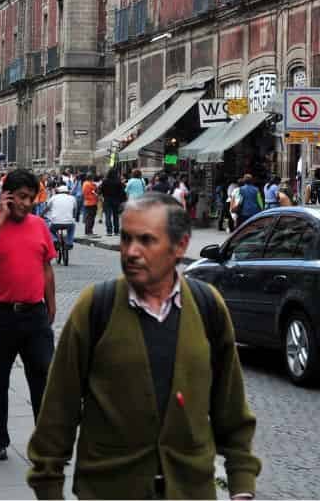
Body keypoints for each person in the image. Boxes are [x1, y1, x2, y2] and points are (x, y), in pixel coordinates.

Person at [27, 193, 261, 500]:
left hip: (190, 490)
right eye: (126, 239)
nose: (131, 252)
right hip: (109, 490)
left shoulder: (207, 307)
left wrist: (241, 483)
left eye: (147, 240)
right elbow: (59, 405)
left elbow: (229, 405)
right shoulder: (97, 307)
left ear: (180, 246)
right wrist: (48, 485)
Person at [0, 169, 56, 462]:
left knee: (43, 379)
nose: (27, 203)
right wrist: (3, 216)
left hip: (34, 316)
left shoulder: (39, 225)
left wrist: (50, 304)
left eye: (32, 198)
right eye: (21, 197)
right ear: (7, 196)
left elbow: (46, 266)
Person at [44, 185, 77, 250]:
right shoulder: (72, 198)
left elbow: (47, 208)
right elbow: (75, 209)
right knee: (72, 227)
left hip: (55, 222)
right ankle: (69, 243)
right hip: (69, 222)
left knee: (49, 230)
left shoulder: (53, 198)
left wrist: (41, 215)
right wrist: (74, 217)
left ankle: (55, 240)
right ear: (67, 192)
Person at [99, 169, 124, 237]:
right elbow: (122, 192)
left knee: (108, 216)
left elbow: (101, 190)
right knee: (116, 216)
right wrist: (121, 200)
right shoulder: (118, 182)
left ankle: (109, 231)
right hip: (116, 200)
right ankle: (116, 231)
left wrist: (104, 195)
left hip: (107, 200)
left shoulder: (105, 181)